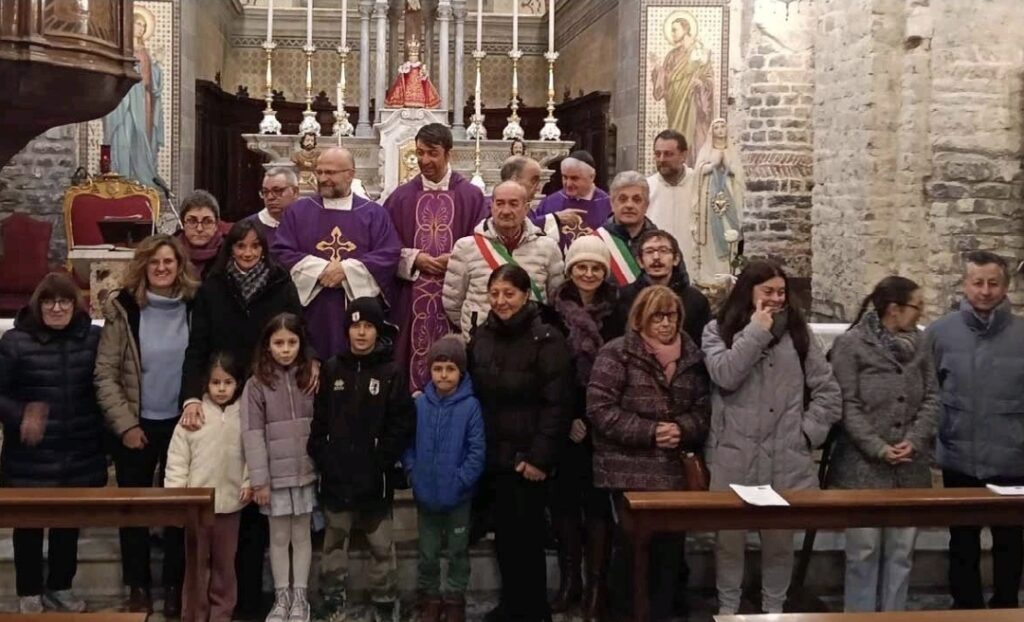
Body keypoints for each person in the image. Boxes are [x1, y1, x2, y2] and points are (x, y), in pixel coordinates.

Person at [178, 219, 312, 620]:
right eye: (241, 246)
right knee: (236, 498)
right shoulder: (213, 287)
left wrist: (313, 362)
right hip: (226, 394)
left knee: (259, 507)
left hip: (271, 395)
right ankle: (222, 601)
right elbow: (197, 346)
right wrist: (191, 396)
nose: (248, 253)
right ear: (230, 249)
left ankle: (254, 599)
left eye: (255, 246)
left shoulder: (280, 283)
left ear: (264, 249)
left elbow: (299, 332)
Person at [702, 260, 841, 615]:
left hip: (785, 455)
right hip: (734, 454)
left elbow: (827, 391)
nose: (777, 298)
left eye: (781, 292)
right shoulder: (717, 330)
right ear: (748, 292)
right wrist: (756, 331)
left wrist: (806, 434)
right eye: (768, 291)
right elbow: (725, 374)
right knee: (728, 543)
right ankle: (728, 611)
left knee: (779, 544)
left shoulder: (799, 334)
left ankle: (774, 611)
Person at [587, 285, 710, 620]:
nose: (666, 323)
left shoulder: (692, 357)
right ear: (640, 319)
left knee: (669, 556)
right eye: (657, 316)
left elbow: (703, 409)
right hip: (627, 469)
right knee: (630, 556)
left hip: (673, 472)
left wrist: (682, 428)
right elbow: (600, 409)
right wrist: (650, 431)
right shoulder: (617, 353)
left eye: (671, 316)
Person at [94, 234, 197, 616]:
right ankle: (137, 584)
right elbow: (105, 373)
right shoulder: (124, 308)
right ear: (143, 266)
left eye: (168, 261)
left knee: (178, 510)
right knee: (133, 510)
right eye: (154, 262)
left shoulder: (194, 305)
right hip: (136, 423)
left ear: (179, 265)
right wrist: (125, 425)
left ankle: (174, 585)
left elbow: (203, 360)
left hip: (182, 425)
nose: (162, 268)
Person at [827, 277, 939, 612]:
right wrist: (877, 446)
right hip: (863, 468)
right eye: (917, 306)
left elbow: (932, 396)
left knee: (901, 553)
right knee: (863, 552)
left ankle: (894, 615)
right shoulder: (852, 344)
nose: (921, 313)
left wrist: (914, 440)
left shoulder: (921, 343)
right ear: (894, 309)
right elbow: (847, 403)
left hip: (909, 467)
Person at [468, 264, 571, 622]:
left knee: (527, 540)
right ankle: (511, 606)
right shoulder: (482, 335)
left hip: (528, 458)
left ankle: (533, 611)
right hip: (494, 455)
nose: (501, 301)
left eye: (509, 293)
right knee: (505, 538)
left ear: (526, 295)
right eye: (494, 293)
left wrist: (540, 458)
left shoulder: (546, 338)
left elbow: (557, 403)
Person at [0, 273, 105, 614]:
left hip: (79, 447)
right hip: (30, 454)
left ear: (75, 305)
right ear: (38, 304)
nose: (57, 308)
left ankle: (61, 586)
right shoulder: (15, 342)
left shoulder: (92, 338)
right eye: (49, 301)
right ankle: (29, 590)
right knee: (29, 525)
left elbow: (105, 386)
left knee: (68, 524)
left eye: (64, 301)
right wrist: (21, 415)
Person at [927, 251, 1024, 610]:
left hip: (1013, 457)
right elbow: (927, 391)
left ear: (1005, 286)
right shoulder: (940, 333)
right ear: (965, 285)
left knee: (1010, 542)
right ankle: (965, 607)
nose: (985, 291)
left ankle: (1006, 607)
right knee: (962, 540)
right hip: (959, 456)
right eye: (977, 283)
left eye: (992, 283)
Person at [308, 298, 415, 622]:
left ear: (377, 331)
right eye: (356, 326)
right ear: (347, 331)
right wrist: (325, 456)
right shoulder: (332, 369)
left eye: (368, 326)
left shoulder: (391, 372)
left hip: (375, 478)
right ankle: (332, 599)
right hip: (337, 477)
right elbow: (319, 422)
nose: (362, 332)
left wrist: (381, 460)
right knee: (334, 543)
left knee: (382, 546)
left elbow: (402, 424)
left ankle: (384, 600)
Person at [384, 123, 489, 390]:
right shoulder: (401, 197)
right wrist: (414, 258)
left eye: (432, 153)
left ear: (448, 154)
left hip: (456, 295)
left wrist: (456, 258)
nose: (424, 160)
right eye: (419, 153)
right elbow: (385, 243)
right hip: (411, 296)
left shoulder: (471, 196)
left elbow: (483, 243)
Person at [273, 146, 402, 360]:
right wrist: (322, 269)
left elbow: (389, 254)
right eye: (320, 172)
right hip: (312, 310)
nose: (323, 178)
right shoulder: (298, 211)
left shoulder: (373, 213)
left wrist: (346, 270)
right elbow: (280, 252)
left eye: (330, 172)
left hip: (357, 313)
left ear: (350, 174)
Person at [548, 238, 620, 621]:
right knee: (563, 502)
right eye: (581, 267)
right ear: (570, 270)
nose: (588, 274)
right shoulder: (553, 313)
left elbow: (622, 367)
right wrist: (570, 419)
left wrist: (594, 418)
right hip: (564, 419)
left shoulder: (618, 313)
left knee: (597, 506)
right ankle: (569, 581)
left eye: (595, 268)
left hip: (605, 422)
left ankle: (596, 588)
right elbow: (550, 370)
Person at [241, 313, 317, 622]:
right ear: (267, 346)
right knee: (278, 538)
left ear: (301, 343)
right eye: (279, 343)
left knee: (302, 536)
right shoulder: (256, 384)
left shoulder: (311, 377)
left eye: (292, 342)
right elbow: (252, 433)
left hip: (307, 472)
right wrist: (259, 480)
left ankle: (300, 598)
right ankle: (281, 597)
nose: (285, 350)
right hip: (274, 477)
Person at [165, 353, 252, 622]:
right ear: (206, 383)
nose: (222, 389)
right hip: (197, 508)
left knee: (225, 566)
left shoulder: (245, 415)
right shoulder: (194, 415)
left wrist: (249, 481)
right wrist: (177, 497)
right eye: (216, 383)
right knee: (195, 566)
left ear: (238, 383)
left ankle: (221, 614)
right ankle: (193, 614)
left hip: (231, 506)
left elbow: (253, 453)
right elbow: (177, 461)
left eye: (228, 382)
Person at [403, 336, 486, 622]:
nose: (443, 375)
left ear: (460, 372)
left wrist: (461, 481)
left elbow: (476, 451)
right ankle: (430, 597)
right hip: (425, 494)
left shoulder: (470, 407)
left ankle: (454, 598)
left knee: (457, 551)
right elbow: (408, 445)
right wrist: (413, 473)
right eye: (438, 369)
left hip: (458, 497)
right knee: (428, 552)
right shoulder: (420, 405)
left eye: (450, 369)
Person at [443, 180, 564, 336]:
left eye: (513, 204)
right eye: (500, 203)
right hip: (481, 341)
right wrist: (474, 326)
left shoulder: (548, 248)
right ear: (491, 206)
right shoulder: (466, 248)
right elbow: (453, 302)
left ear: (526, 208)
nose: (506, 211)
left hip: (531, 341)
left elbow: (556, 300)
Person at [616, 230, 711, 347]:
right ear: (640, 261)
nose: (656, 257)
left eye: (663, 251)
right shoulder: (622, 297)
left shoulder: (696, 300)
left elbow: (701, 347)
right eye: (649, 251)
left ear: (676, 259)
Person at [103, 6, 163, 184]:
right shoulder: (125, 49)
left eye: (144, 26)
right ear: (130, 25)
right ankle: (121, 173)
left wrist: (156, 66)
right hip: (126, 98)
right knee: (124, 132)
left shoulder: (145, 52)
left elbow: (151, 79)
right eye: (138, 24)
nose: (141, 28)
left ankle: (140, 176)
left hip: (143, 100)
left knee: (141, 135)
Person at [649, 15, 714, 167]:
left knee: (692, 138)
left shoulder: (700, 51)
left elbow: (709, 77)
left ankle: (693, 167)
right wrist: (658, 69)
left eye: (675, 30)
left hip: (692, 103)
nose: (672, 34)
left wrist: (701, 84)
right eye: (671, 31)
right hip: (675, 104)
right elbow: (663, 84)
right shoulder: (671, 55)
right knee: (675, 136)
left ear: (685, 30)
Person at [692, 118, 744, 282]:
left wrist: (728, 165)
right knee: (711, 234)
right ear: (712, 131)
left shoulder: (731, 151)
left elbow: (739, 175)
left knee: (729, 229)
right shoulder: (706, 151)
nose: (720, 129)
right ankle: (710, 274)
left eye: (723, 126)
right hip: (709, 198)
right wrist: (713, 165)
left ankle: (728, 270)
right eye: (716, 127)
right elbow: (698, 172)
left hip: (729, 197)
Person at [532, 151, 611, 250]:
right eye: (565, 177)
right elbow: (532, 229)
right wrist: (554, 218)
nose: (568, 184)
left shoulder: (607, 204)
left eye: (574, 178)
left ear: (592, 177)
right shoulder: (550, 202)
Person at [594, 171, 658, 286]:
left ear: (646, 205)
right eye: (622, 199)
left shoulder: (662, 244)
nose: (629, 205)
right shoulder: (595, 242)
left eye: (637, 200)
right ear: (612, 203)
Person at [646, 130, 698, 252]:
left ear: (683, 155)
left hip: (694, 257)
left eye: (668, 154)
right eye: (657, 154)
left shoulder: (700, 184)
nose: (661, 159)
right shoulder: (646, 187)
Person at [176, 190, 232, 280]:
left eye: (207, 222)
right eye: (192, 221)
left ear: (216, 225)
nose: (199, 229)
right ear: (183, 223)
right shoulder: (170, 252)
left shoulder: (230, 253)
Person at [246, 166, 301, 249]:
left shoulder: (309, 223)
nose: (270, 197)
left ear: (295, 192)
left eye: (277, 191)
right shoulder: (248, 227)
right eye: (265, 192)